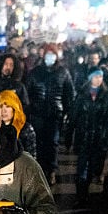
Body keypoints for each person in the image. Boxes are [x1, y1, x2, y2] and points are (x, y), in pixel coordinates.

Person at [66, 68, 108, 207]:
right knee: (82, 169)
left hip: (99, 140)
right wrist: (69, 138)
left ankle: (93, 194)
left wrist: (107, 137)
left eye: (100, 77)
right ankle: (81, 197)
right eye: (95, 76)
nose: (98, 79)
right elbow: (73, 118)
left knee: (95, 168)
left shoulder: (107, 95)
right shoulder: (81, 95)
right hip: (84, 138)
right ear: (90, 78)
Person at [26, 48, 74, 183]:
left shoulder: (63, 72)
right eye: (48, 54)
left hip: (55, 114)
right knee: (38, 142)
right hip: (37, 114)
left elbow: (69, 94)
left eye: (52, 54)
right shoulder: (35, 72)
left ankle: (52, 170)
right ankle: (39, 169)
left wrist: (67, 112)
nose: (50, 57)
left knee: (52, 143)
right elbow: (28, 92)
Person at [0, 89, 37, 158]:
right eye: (1, 106)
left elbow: (32, 156)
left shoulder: (26, 129)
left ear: (14, 108)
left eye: (8, 106)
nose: (4, 111)